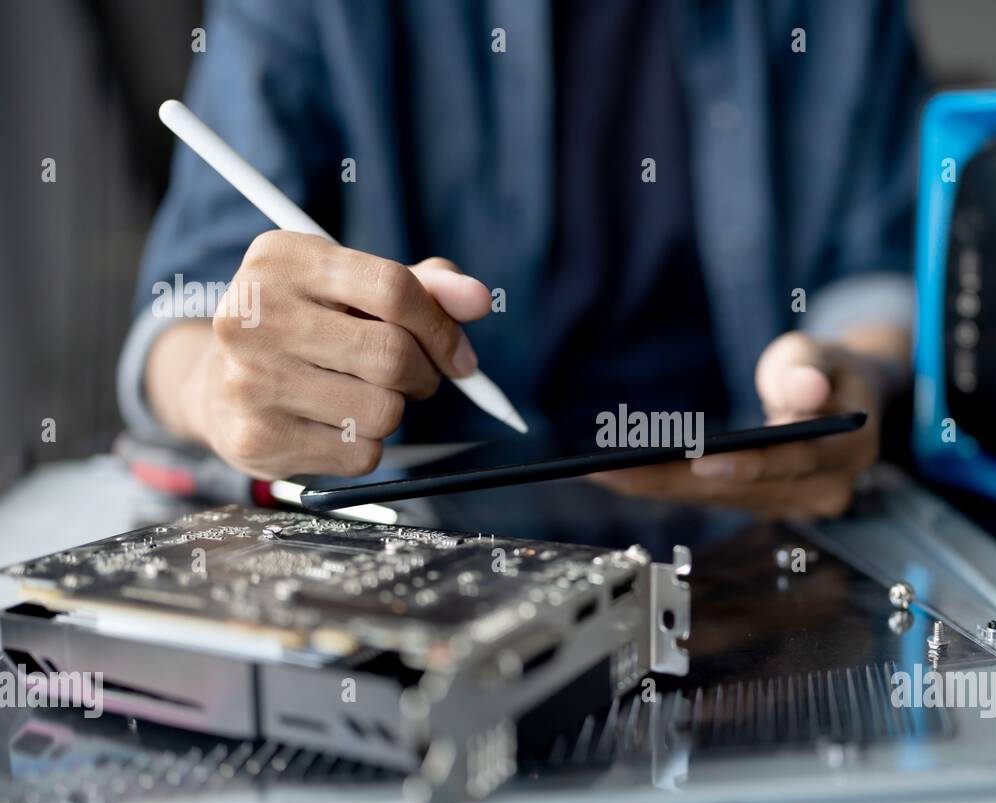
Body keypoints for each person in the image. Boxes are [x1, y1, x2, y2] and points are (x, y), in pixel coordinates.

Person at [120, 0, 924, 522]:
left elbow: (880, 261)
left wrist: (847, 380)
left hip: (744, 521)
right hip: (417, 532)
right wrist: (224, 388)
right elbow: (187, 302)